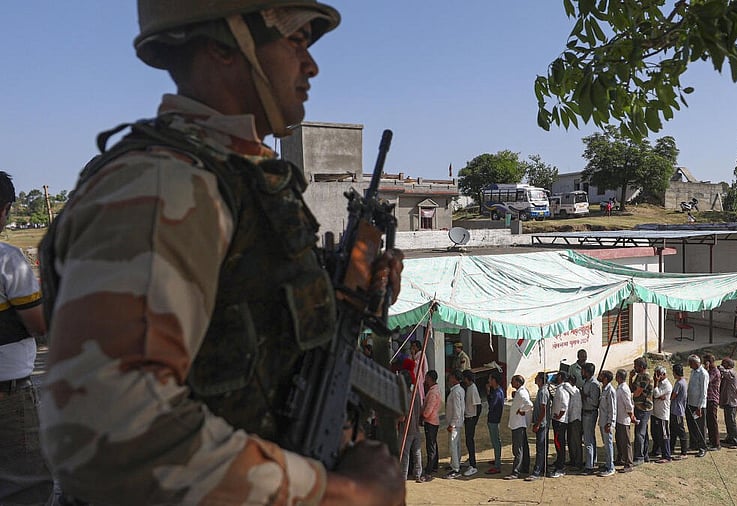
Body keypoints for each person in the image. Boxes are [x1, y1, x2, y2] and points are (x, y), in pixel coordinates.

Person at [38, 2, 407, 505]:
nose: (311, 65)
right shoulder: (167, 185)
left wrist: (347, 290)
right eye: (294, 41)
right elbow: (111, 435)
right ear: (224, 45)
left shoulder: (239, 180)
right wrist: (336, 493)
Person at [0, 172, 54, 504]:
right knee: (25, 486)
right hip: (7, 397)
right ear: (3, 209)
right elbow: (40, 324)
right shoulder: (7, 259)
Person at [398, 370, 423, 484]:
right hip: (416, 427)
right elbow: (420, 410)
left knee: (405, 454)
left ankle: (403, 477)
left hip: (406, 429)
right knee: (417, 453)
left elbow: (402, 417)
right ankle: (418, 474)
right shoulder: (416, 394)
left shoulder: (403, 397)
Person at [506, 375, 532, 480]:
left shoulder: (521, 393)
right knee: (523, 447)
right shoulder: (521, 392)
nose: (511, 383)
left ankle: (516, 471)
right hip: (519, 424)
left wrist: (522, 410)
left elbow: (529, 404)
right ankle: (525, 467)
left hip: (518, 424)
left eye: (513, 381)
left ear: (517, 383)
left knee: (518, 449)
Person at [526, 372, 551, 482]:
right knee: (542, 447)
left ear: (541, 380)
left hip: (542, 424)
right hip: (542, 423)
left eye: (537, 378)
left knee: (540, 448)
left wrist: (537, 423)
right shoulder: (541, 391)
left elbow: (543, 409)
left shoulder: (543, 392)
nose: (535, 379)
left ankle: (537, 471)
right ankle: (543, 468)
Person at [629, 357, 653, 465]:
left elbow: (637, 393)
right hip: (639, 407)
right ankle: (645, 454)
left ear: (641, 367)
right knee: (644, 433)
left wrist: (629, 397)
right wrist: (630, 377)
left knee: (639, 433)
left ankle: (639, 457)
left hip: (644, 408)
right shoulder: (639, 376)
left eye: (636, 366)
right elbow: (632, 388)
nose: (634, 368)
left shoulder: (646, 377)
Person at [686, 355, 709, 457]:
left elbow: (704, 392)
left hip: (699, 405)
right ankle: (693, 444)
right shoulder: (693, 372)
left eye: (691, 363)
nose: (689, 366)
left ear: (695, 363)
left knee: (700, 427)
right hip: (691, 402)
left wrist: (700, 407)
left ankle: (702, 447)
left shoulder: (703, 374)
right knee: (692, 425)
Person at [420, 370, 442, 481]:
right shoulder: (435, 390)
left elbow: (429, 408)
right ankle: (434, 466)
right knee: (433, 444)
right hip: (433, 420)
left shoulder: (433, 392)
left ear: (430, 378)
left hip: (430, 420)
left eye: (427, 378)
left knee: (431, 446)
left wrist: (423, 415)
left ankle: (429, 470)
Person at [580, 363, 601, 474]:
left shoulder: (594, 384)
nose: (581, 373)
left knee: (588, 439)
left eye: (583, 371)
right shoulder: (587, 382)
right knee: (589, 438)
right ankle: (592, 460)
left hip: (590, 413)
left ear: (587, 372)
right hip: (586, 412)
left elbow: (594, 402)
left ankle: (589, 466)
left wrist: (584, 396)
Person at [615, 369, 637, 473]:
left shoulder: (623, 389)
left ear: (619, 377)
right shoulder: (620, 388)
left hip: (624, 420)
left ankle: (629, 463)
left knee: (626, 442)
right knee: (620, 440)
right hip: (619, 418)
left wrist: (631, 416)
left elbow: (628, 405)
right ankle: (622, 459)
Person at [445, 370, 466, 479]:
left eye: (451, 377)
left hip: (455, 423)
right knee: (456, 445)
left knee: (453, 445)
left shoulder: (456, 392)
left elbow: (457, 410)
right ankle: (455, 463)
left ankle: (456, 469)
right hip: (457, 422)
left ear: (455, 379)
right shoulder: (458, 390)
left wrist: (452, 424)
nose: (449, 379)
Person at [549, 372, 570, 478]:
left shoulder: (562, 390)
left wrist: (559, 416)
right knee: (558, 444)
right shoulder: (560, 388)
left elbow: (565, 405)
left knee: (559, 444)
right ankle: (558, 462)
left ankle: (560, 468)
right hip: (558, 420)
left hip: (560, 421)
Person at [650, 366, 673, 464]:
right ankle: (656, 451)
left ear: (663, 374)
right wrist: (658, 395)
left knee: (664, 435)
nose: (656, 376)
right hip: (655, 412)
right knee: (655, 433)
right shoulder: (659, 384)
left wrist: (656, 387)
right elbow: (655, 395)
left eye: (658, 374)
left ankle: (667, 456)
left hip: (662, 413)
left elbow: (655, 394)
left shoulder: (667, 385)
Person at [597, 370, 617, 477]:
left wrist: (610, 423)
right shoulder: (603, 389)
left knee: (609, 444)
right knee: (606, 444)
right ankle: (607, 463)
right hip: (602, 421)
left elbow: (612, 409)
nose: (599, 376)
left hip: (607, 423)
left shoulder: (610, 390)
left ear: (605, 378)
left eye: (601, 375)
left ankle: (611, 467)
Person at [462, 369, 482, 476]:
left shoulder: (473, 389)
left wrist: (474, 421)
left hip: (471, 418)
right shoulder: (469, 388)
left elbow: (479, 406)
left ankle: (473, 465)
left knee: (470, 441)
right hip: (468, 417)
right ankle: (470, 459)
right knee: (468, 440)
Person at [718, 358, 737, 448]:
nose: (722, 364)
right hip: (727, 400)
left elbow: (725, 372)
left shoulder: (732, 373)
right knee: (728, 421)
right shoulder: (727, 373)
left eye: (724, 363)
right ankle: (730, 437)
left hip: (732, 401)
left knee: (731, 421)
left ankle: (736, 440)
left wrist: (721, 368)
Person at [485, 371, 505, 474]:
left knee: (495, 441)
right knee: (496, 440)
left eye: (490, 379)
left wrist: (488, 393)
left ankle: (497, 464)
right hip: (495, 418)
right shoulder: (499, 391)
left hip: (494, 419)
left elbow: (491, 405)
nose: (489, 381)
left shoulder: (497, 393)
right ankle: (497, 460)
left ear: (494, 380)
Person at [669, 363, 689, 460]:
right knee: (673, 431)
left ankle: (684, 452)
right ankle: (671, 447)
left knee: (680, 431)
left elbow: (673, 396)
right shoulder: (683, 381)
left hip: (677, 411)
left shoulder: (679, 383)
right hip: (674, 410)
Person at [564, 374, 583, 471]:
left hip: (576, 418)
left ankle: (578, 462)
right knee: (571, 441)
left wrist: (563, 381)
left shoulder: (575, 390)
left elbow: (566, 385)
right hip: (571, 418)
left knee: (576, 441)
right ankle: (573, 460)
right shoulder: (572, 390)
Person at [703, 354, 722, 451]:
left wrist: (705, 369)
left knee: (713, 422)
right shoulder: (710, 371)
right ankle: (711, 441)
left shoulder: (714, 372)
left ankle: (716, 443)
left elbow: (706, 380)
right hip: (707, 399)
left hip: (712, 399)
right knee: (709, 422)